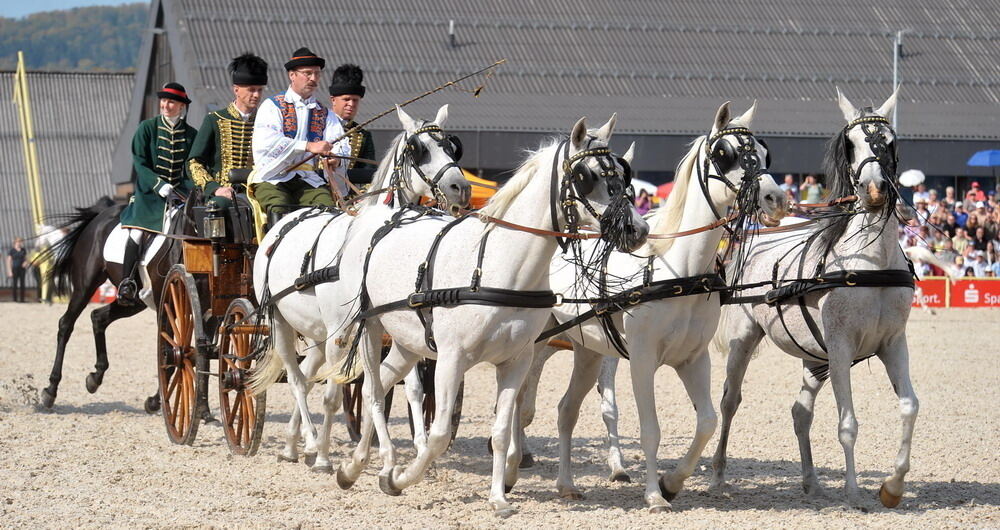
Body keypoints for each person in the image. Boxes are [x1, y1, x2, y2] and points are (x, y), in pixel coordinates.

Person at [118, 82, 198, 304]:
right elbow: (140, 163)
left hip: (178, 194)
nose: (165, 104)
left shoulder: (191, 134)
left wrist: (186, 188)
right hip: (149, 195)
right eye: (163, 100)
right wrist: (158, 184)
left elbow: (191, 167)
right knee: (136, 234)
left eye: (171, 101)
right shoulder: (147, 127)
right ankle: (127, 282)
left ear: (181, 106)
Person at [250, 47, 346, 221]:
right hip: (273, 177)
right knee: (279, 208)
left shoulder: (324, 113)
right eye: (307, 73)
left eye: (317, 74)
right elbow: (267, 142)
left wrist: (336, 158)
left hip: (308, 179)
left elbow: (340, 143)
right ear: (292, 75)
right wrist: (308, 146)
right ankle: (272, 248)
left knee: (328, 211)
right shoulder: (272, 106)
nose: (313, 78)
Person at [188, 53, 268, 210]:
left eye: (260, 90)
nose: (257, 95)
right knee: (218, 209)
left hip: (260, 191)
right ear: (236, 90)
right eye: (251, 90)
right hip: (224, 193)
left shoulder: (267, 122)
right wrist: (215, 189)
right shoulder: (214, 120)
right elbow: (194, 162)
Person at [327, 63, 376, 196]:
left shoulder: (363, 135)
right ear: (333, 100)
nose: (351, 104)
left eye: (355, 100)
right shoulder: (318, 125)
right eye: (346, 99)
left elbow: (369, 173)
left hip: (349, 197)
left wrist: (362, 196)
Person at [6, 237, 28, 302]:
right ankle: (15, 300)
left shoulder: (23, 250)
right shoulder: (12, 250)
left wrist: (26, 262)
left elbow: (26, 258)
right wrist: (9, 271)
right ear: (15, 242)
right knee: (15, 284)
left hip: (22, 269)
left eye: (20, 242)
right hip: (15, 269)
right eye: (18, 242)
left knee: (22, 284)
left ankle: (22, 299)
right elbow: (8, 261)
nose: (19, 243)